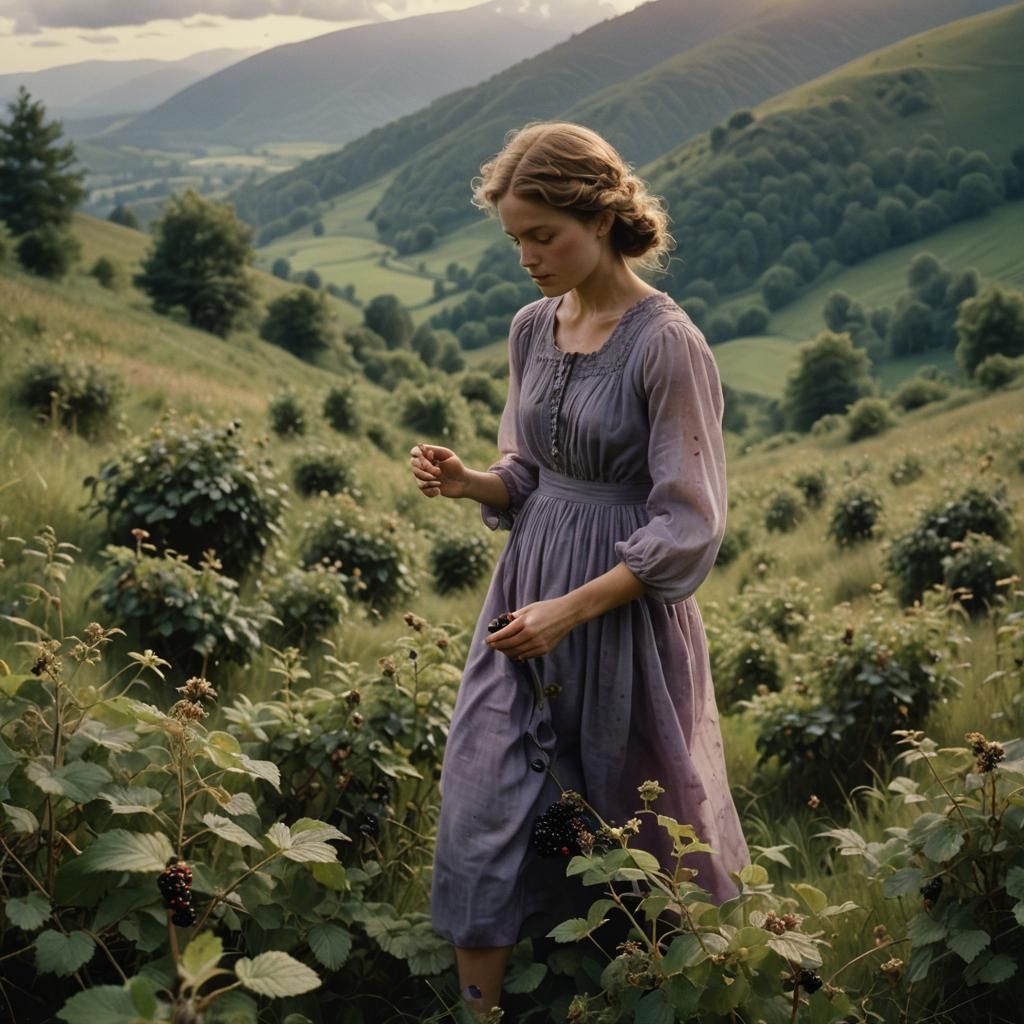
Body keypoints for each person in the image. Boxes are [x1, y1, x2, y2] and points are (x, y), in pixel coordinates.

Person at [408, 121, 749, 1019]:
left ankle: (660, 996)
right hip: (523, 600)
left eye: (542, 235)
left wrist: (573, 610)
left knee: (636, 828)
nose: (526, 256)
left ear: (602, 217)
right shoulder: (532, 327)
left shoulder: (667, 344)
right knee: (480, 802)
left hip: (620, 615)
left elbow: (688, 524)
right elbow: (526, 474)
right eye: (515, 238)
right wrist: (467, 482)